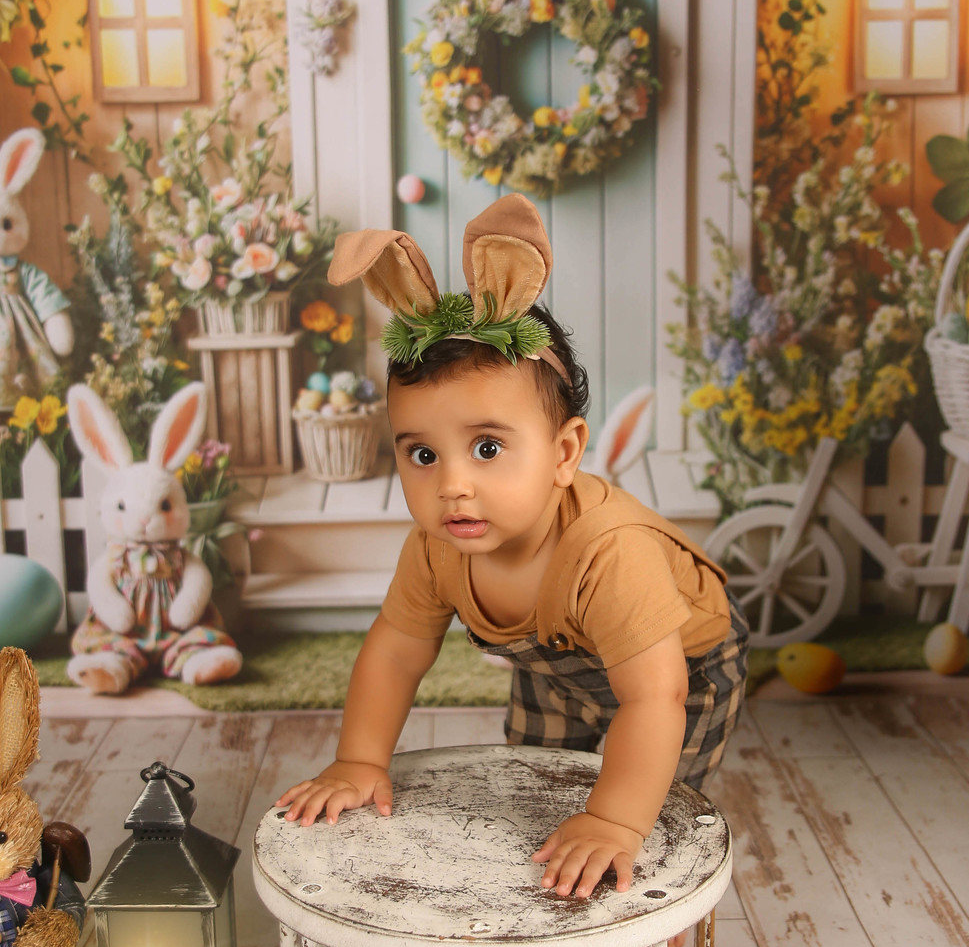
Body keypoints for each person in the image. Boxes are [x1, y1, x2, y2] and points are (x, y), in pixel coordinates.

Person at [276, 196, 748, 906]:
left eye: (488, 448)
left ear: (564, 453)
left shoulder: (611, 553)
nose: (452, 486)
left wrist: (614, 820)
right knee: (538, 783)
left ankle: (653, 903)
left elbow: (656, 696)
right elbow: (396, 651)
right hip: (558, 662)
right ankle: (550, 882)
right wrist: (359, 759)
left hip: (683, 667)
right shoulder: (436, 549)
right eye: (423, 454)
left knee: (647, 804)